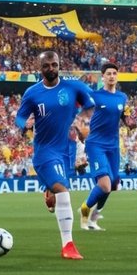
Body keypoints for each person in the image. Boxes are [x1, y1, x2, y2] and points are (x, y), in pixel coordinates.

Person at [14, 51, 94, 260]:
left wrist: (82, 121)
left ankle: (49, 193)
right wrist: (25, 125)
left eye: (54, 64)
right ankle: (68, 244)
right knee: (63, 192)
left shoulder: (73, 87)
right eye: (46, 65)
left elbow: (90, 105)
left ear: (60, 65)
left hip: (66, 150)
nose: (51, 68)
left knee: (58, 194)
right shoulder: (32, 93)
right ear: (39, 68)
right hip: (44, 151)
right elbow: (20, 118)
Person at [79, 64, 126, 230]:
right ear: (103, 77)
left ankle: (94, 217)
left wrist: (131, 122)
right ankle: (84, 209)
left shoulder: (122, 97)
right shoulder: (94, 95)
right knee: (105, 185)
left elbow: (123, 116)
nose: (112, 76)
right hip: (96, 144)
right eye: (108, 74)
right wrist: (78, 128)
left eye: (114, 73)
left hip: (113, 145)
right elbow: (79, 110)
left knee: (112, 185)